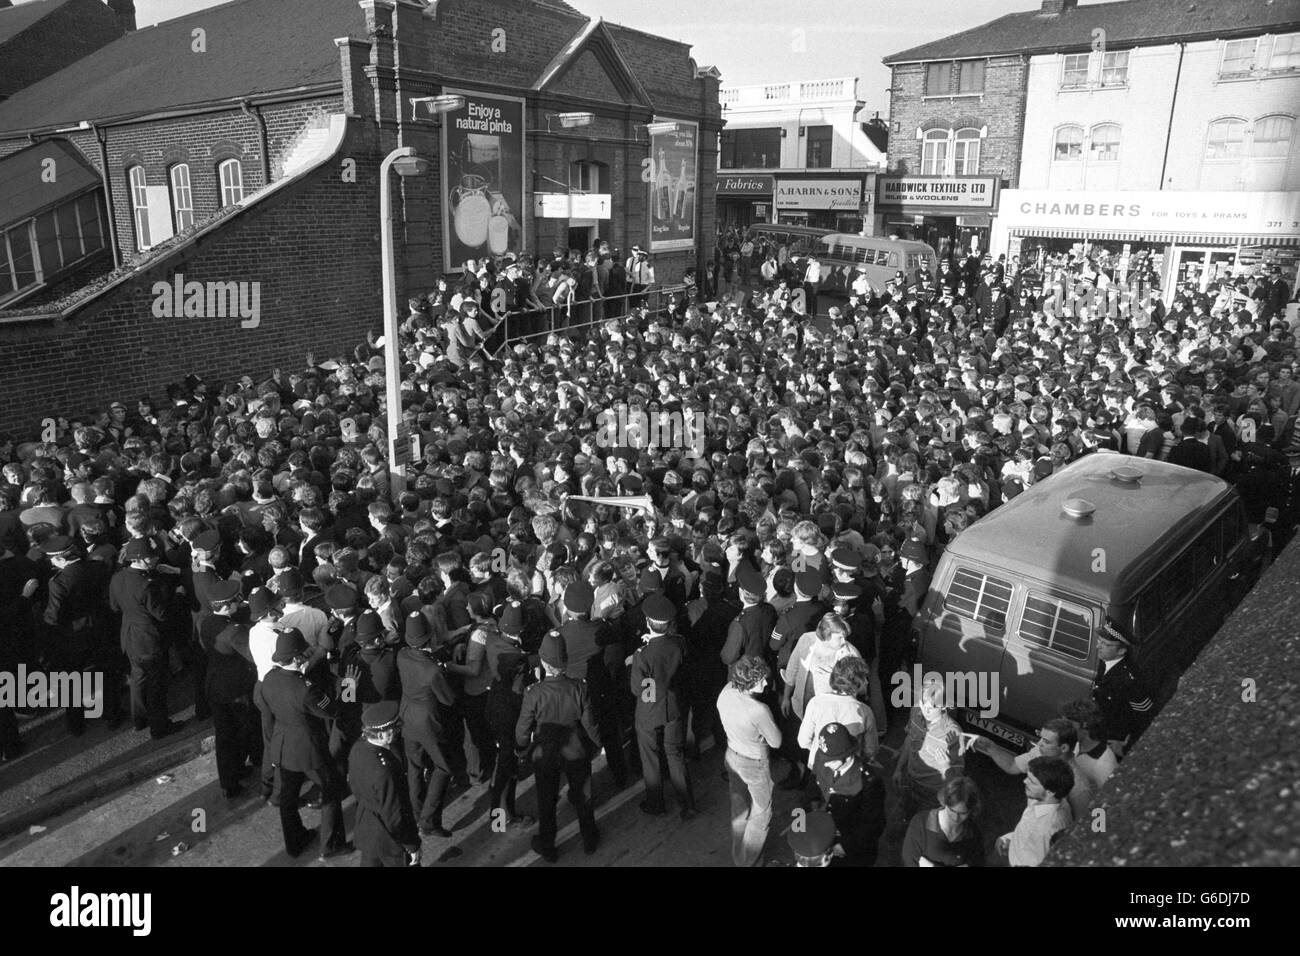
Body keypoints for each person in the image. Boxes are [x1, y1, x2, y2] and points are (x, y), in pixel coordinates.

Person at [262, 626, 351, 860]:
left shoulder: (269, 679)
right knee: (331, 791)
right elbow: (333, 711)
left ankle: (295, 842)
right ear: (297, 658)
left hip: (283, 745)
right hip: (309, 749)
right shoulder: (305, 689)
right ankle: (331, 845)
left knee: (288, 797)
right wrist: (347, 688)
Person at [514, 632, 601, 863]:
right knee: (583, 795)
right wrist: (597, 744)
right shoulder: (579, 687)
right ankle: (590, 839)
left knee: (546, 800)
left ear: (543, 662)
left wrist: (521, 750)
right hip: (575, 748)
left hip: (546, 753)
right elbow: (590, 723)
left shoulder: (535, 693)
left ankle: (548, 846)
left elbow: (523, 729)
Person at [629, 592, 696, 819]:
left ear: (648, 622)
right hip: (674, 706)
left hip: (650, 711)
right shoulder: (679, 643)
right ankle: (687, 803)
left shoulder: (643, 655)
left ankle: (656, 802)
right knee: (674, 754)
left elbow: (640, 690)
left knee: (651, 756)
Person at [108, 538, 182, 739]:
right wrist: (177, 596)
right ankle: (160, 726)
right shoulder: (146, 585)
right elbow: (162, 613)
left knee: (138, 679)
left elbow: (115, 607)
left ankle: (140, 719)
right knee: (156, 685)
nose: (155, 559)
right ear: (140, 559)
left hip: (130, 637)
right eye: (152, 556)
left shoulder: (118, 578)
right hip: (150, 640)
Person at [396, 610, 459, 839]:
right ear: (429, 637)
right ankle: (428, 820)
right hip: (429, 723)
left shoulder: (402, 655)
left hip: (407, 717)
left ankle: (416, 813)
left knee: (414, 767)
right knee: (443, 768)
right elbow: (448, 699)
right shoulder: (432, 670)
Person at [197, 578, 260, 797]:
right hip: (236, 689)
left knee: (224, 736)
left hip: (215, 684)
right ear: (228, 604)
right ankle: (242, 772)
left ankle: (230, 778)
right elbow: (253, 655)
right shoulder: (233, 630)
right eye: (236, 601)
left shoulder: (207, 622)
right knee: (244, 731)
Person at [716, 655, 782, 867]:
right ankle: (748, 861)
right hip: (754, 763)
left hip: (732, 755)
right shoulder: (758, 710)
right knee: (762, 813)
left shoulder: (725, 693)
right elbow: (776, 741)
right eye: (760, 680)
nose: (765, 683)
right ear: (749, 683)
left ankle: (739, 855)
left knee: (740, 809)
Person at [971, 717, 1093, 821]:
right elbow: (1012, 765)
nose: (1039, 744)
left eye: (1046, 741)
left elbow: (1080, 822)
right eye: (1040, 738)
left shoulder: (1079, 787)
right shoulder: (1040, 753)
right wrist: (992, 748)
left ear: (1064, 748)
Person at [347, 701, 421, 867]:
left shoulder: (358, 748)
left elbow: (355, 785)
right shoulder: (384, 770)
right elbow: (395, 816)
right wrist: (412, 845)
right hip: (389, 839)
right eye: (393, 730)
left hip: (367, 826)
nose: (396, 733)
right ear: (380, 735)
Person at [810, 721, 886, 866]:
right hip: (825, 836)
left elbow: (874, 824)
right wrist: (803, 823)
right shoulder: (824, 758)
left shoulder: (869, 782)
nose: (825, 764)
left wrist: (845, 846)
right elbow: (812, 789)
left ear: (848, 755)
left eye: (830, 761)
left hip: (853, 850)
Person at [894, 676, 963, 818]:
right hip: (910, 779)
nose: (926, 711)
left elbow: (957, 775)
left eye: (933, 707)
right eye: (923, 703)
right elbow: (909, 740)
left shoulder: (953, 733)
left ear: (944, 706)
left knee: (926, 828)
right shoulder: (915, 712)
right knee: (903, 817)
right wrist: (898, 769)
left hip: (932, 793)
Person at [1092, 617, 1155, 758]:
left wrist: (1126, 748)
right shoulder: (1106, 660)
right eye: (1099, 641)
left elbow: (1146, 718)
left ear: (1121, 651)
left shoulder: (1131, 680)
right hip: (1099, 734)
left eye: (1105, 644)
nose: (1098, 646)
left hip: (1114, 742)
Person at [996, 756, 1074, 867]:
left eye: (1032, 782)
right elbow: (1027, 833)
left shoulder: (1048, 829)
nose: (1024, 781)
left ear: (1050, 792)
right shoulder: (1041, 799)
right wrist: (1008, 838)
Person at [901, 775, 986, 867]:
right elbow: (909, 860)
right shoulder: (921, 823)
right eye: (952, 811)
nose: (955, 818)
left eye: (962, 813)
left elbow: (978, 862)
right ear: (945, 802)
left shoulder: (972, 833)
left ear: (971, 810)